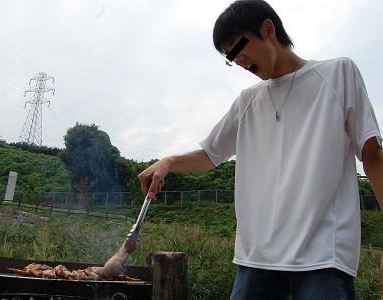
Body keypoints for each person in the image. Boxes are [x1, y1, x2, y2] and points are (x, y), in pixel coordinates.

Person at [138, 0, 383, 299]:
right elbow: (210, 154)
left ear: (268, 29)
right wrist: (168, 161)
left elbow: (372, 156)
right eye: (230, 56)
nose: (237, 59)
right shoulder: (247, 100)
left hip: (322, 259)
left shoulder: (337, 74)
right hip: (257, 260)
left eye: (238, 46)